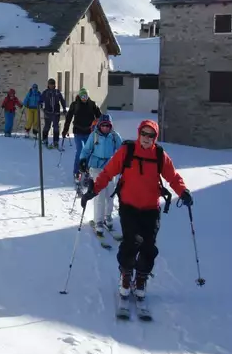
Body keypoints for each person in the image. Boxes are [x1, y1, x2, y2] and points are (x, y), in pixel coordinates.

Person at [81, 120, 193, 299]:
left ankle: (140, 278)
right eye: (144, 134)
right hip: (129, 206)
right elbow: (108, 172)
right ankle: (126, 275)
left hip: (151, 208)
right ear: (139, 133)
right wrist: (93, 191)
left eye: (151, 135)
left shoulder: (159, 155)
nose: (147, 138)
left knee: (149, 246)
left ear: (155, 138)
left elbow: (173, 176)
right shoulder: (127, 151)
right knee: (130, 243)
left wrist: (183, 191)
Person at [77, 114, 122, 236]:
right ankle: (99, 221)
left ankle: (107, 216)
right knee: (99, 195)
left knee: (110, 194)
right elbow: (86, 150)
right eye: (103, 125)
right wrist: (82, 160)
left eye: (108, 125)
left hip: (110, 167)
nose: (106, 128)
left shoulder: (114, 136)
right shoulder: (94, 135)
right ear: (99, 125)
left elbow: (122, 150)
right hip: (96, 167)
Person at [62, 88, 101, 178]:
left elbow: (99, 116)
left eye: (86, 96)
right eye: (82, 96)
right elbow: (68, 118)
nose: (84, 98)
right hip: (78, 131)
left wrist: (100, 126)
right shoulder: (75, 105)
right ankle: (77, 171)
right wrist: (65, 129)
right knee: (80, 151)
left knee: (89, 152)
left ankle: (86, 169)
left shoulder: (92, 104)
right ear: (79, 96)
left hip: (89, 131)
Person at [40, 78, 66, 148]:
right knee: (46, 127)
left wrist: (64, 108)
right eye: (50, 84)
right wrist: (40, 105)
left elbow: (62, 100)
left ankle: (56, 141)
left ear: (54, 85)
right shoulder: (45, 92)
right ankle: (45, 139)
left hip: (56, 113)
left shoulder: (57, 92)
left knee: (56, 127)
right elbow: (40, 100)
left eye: (53, 84)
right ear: (48, 85)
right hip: (47, 112)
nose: (51, 85)